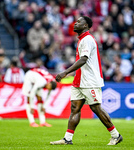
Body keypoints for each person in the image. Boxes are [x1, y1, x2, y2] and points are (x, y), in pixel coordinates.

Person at [50, 16, 123, 145]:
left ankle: (115, 135)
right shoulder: (82, 39)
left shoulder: (88, 39)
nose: (75, 23)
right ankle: (68, 138)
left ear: (85, 26)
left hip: (90, 80)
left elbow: (83, 59)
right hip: (80, 79)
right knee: (74, 108)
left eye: (79, 22)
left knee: (95, 108)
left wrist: (65, 72)